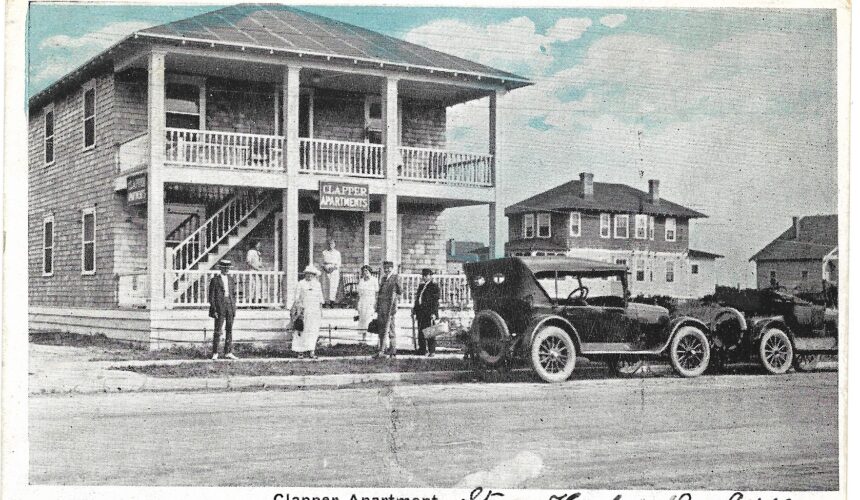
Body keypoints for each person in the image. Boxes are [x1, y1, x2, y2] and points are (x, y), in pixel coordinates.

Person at [291, 265, 324, 359]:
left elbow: (320, 299)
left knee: (313, 331)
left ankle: (311, 351)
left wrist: (321, 311)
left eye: (311, 274)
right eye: (307, 274)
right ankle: (300, 352)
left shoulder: (317, 284)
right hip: (303, 310)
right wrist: (298, 311)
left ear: (314, 275)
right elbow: (296, 298)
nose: (309, 276)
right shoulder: (301, 283)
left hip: (314, 311)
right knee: (301, 330)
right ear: (305, 274)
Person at [208, 260, 238, 360]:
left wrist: (234, 306)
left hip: (230, 305)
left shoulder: (231, 279)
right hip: (220, 306)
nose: (226, 269)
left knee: (229, 329)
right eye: (224, 267)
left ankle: (228, 352)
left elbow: (233, 294)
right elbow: (211, 296)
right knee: (218, 330)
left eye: (227, 268)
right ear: (220, 268)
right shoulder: (215, 280)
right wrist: (214, 309)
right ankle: (215, 352)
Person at [374, 260, 401, 358]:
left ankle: (393, 351)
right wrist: (377, 306)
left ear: (391, 268)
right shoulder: (383, 278)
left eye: (388, 268)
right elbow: (380, 294)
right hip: (382, 308)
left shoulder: (395, 278)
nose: (386, 270)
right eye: (385, 268)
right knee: (381, 329)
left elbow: (399, 292)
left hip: (390, 308)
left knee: (390, 329)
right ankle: (382, 350)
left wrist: (394, 306)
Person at [412, 268, 440, 356]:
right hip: (420, 312)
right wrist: (414, 309)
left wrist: (434, 313)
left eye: (426, 275)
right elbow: (418, 299)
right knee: (421, 332)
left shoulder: (434, 286)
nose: (424, 277)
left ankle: (432, 351)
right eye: (423, 275)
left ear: (431, 276)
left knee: (430, 332)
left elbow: (435, 301)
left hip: (429, 312)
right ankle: (422, 350)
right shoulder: (421, 286)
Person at [356, 264, 379, 341]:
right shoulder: (361, 281)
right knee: (362, 319)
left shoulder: (374, 280)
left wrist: (376, 303)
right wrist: (358, 304)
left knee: (369, 319)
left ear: (370, 272)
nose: (366, 274)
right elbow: (359, 294)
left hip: (371, 301)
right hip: (363, 302)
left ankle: (371, 336)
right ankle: (363, 337)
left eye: (367, 272)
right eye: (364, 272)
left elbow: (376, 293)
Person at [321, 240, 342, 308]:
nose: (331, 245)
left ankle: (332, 301)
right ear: (327, 245)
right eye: (329, 244)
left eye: (332, 244)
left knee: (333, 285)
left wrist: (333, 268)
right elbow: (321, 262)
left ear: (334, 245)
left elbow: (339, 263)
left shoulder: (337, 253)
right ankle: (324, 301)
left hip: (334, 270)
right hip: (326, 269)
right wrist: (325, 268)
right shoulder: (324, 252)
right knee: (325, 285)